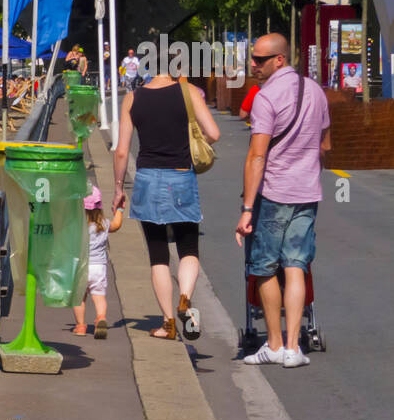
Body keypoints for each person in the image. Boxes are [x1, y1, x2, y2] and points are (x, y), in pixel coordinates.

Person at [236, 33, 331, 368]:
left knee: (263, 267)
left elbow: (257, 155)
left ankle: (274, 345)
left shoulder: (266, 98)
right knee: (296, 266)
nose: (253, 65)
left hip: (273, 194)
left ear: (279, 59)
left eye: (259, 60)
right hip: (307, 193)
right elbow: (325, 146)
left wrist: (247, 208)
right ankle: (294, 348)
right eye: (253, 58)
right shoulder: (316, 91)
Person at [112, 52, 221, 339]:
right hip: (181, 175)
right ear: (177, 69)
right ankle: (185, 296)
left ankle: (168, 322)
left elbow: (122, 150)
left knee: (158, 253)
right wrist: (192, 141)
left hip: (147, 178)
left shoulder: (133, 98)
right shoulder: (187, 93)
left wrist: (118, 188)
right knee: (188, 247)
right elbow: (214, 133)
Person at [72, 187, 125, 339]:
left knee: (79, 298)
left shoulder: (76, 225)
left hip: (80, 267)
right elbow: (117, 224)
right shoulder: (104, 224)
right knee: (99, 296)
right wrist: (120, 209)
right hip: (98, 268)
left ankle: (81, 326)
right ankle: (101, 318)